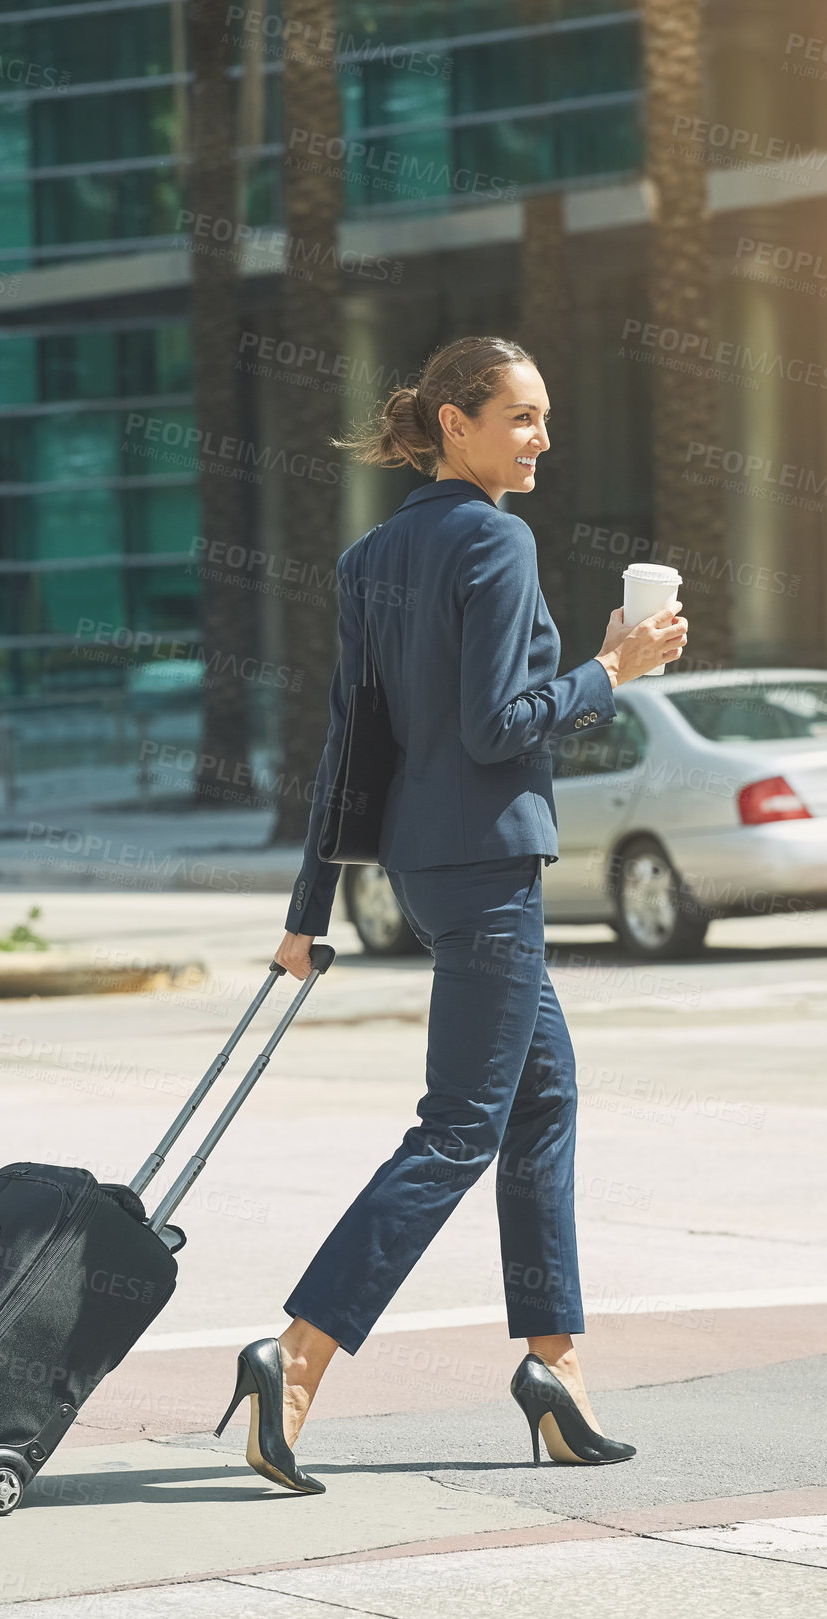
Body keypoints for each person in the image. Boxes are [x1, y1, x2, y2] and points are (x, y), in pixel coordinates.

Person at [213, 336, 688, 1493]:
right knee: (459, 1127)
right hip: (486, 869)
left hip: (427, 874)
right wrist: (611, 670)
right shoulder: (493, 536)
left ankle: (554, 1370)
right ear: (450, 424)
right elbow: (496, 726)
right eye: (517, 418)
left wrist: (305, 909)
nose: (538, 439)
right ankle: (299, 1354)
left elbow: (348, 745)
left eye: (542, 417)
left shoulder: (372, 552)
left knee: (542, 1097)